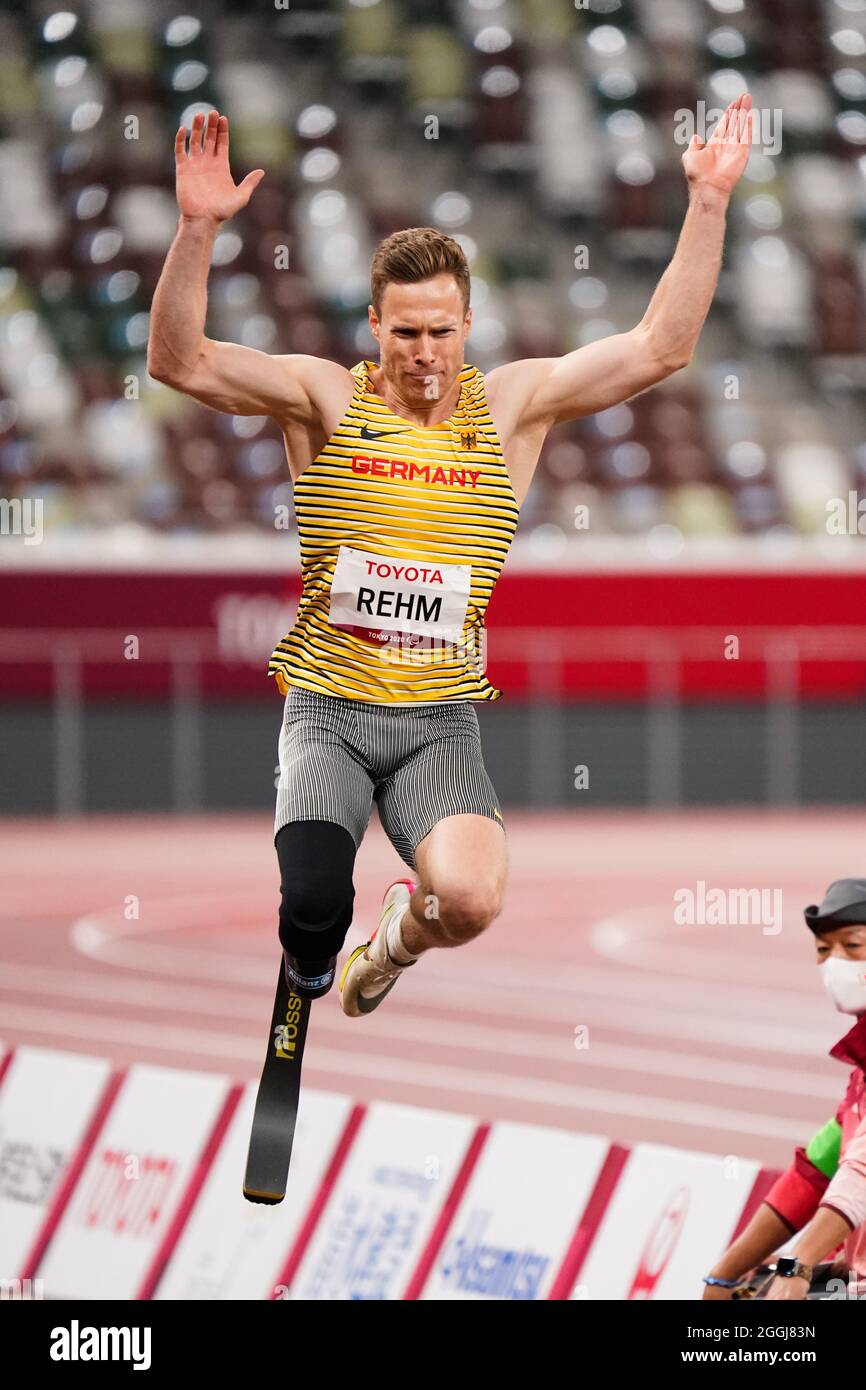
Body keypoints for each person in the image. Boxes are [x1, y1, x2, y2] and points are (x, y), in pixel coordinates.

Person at [147, 98, 752, 1014]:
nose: (423, 354)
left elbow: (661, 348)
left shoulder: (510, 409)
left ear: (467, 323)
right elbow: (178, 361)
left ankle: (392, 942)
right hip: (330, 712)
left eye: (440, 331)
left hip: (440, 722)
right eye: (404, 332)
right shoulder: (322, 398)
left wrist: (707, 202)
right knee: (310, 913)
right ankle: (320, 949)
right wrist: (197, 230)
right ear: (374, 327)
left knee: (469, 901)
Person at [702, 878, 866, 1301]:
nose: (836, 964)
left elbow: (859, 1174)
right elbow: (814, 1172)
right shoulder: (860, 1073)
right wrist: (723, 1275)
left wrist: (799, 1264)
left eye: (853, 946)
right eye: (824, 951)